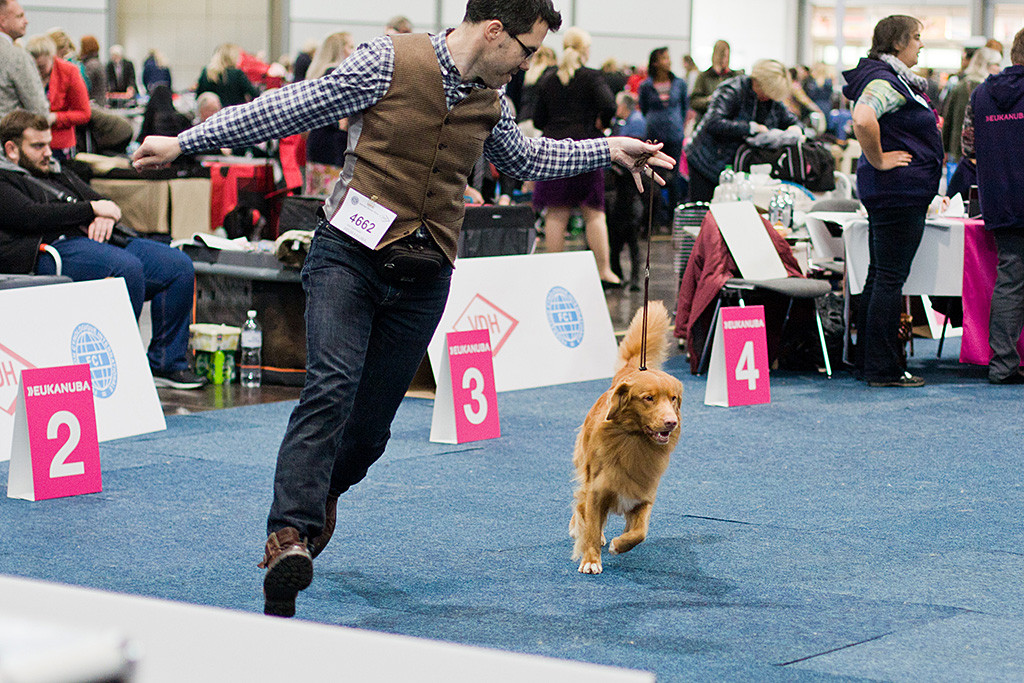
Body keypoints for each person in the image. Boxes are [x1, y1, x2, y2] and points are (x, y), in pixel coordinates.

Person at [131, 0, 672, 619]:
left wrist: (610, 151)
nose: (526, 65)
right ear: (495, 32)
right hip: (347, 257)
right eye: (526, 50)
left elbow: (528, 161)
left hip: (424, 273)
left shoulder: (492, 98)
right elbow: (286, 108)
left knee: (368, 432)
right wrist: (185, 140)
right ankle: (287, 537)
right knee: (330, 388)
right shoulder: (388, 60)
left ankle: (321, 494)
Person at [0, 109, 206, 389]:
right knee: (125, 269)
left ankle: (166, 363)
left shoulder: (58, 172)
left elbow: (105, 203)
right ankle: (119, 367)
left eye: (49, 144)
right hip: (49, 249)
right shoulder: (5, 180)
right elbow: (29, 216)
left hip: (97, 242)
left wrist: (104, 214)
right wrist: (91, 210)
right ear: (11, 149)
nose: (48, 152)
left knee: (177, 265)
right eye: (37, 146)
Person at [842, 15, 943, 388]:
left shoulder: (889, 78)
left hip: (892, 191)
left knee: (879, 276)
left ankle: (868, 361)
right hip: (898, 191)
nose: (921, 44)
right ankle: (883, 368)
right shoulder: (886, 81)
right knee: (889, 278)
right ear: (898, 43)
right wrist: (879, 157)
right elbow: (863, 119)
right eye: (917, 38)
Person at [532, 26, 620, 286]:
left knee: (556, 213)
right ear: (585, 50)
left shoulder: (548, 79)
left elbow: (538, 119)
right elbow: (610, 105)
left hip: (554, 149)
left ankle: (554, 272)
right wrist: (600, 125)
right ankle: (604, 271)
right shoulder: (592, 77)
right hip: (586, 148)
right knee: (593, 211)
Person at [963, 28, 1024, 384]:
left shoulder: (981, 93)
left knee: (1009, 281)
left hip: (1001, 200)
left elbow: (968, 149)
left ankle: (1002, 365)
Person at [686, 59, 799, 202]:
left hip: (736, 167)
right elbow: (713, 122)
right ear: (758, 82)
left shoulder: (770, 99)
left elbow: (791, 120)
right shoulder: (731, 90)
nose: (767, 98)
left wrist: (795, 129)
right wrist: (751, 127)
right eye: (766, 93)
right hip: (707, 161)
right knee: (704, 209)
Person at [638, 47, 687, 227]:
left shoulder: (679, 84)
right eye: (664, 58)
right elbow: (643, 108)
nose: (669, 61)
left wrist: (676, 124)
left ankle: (673, 219)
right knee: (653, 177)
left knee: (674, 177)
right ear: (656, 62)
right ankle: (654, 219)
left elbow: (684, 107)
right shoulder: (646, 86)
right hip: (653, 137)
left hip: (674, 136)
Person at [303, 32, 355, 196]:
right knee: (329, 201)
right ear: (339, 49)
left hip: (318, 143)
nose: (354, 51)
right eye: (350, 46)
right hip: (331, 147)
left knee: (315, 198)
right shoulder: (335, 74)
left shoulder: (319, 74)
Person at [26, 34, 90, 162]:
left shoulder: (69, 71)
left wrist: (55, 118)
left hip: (60, 146)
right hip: (30, 144)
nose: (38, 72)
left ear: (52, 57)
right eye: (34, 67)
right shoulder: (25, 71)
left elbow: (84, 113)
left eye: (42, 67)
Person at [608, 90, 645, 289]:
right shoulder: (623, 123)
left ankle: (626, 278)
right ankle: (628, 279)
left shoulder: (634, 123)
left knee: (624, 245)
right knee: (630, 246)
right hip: (629, 201)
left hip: (627, 201)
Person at [942, 46, 1001, 162]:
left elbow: (948, 120)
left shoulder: (960, 86)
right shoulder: (992, 90)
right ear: (986, 65)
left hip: (958, 150)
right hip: (985, 152)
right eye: (997, 64)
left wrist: (945, 149)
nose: (999, 68)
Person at [0, 0, 49, 119]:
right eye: (19, 16)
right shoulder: (17, 57)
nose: (26, 21)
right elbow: (38, 110)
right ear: (2, 21)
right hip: (6, 134)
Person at [689, 40, 736, 126]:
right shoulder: (704, 77)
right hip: (706, 124)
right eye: (722, 56)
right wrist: (710, 100)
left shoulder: (734, 77)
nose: (725, 60)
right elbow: (694, 102)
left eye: (727, 56)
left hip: (727, 125)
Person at [197, 44, 259, 108]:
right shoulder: (237, 74)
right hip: (234, 113)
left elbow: (199, 97)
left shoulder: (207, 73)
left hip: (213, 114)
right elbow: (255, 94)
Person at [78, 35, 106, 104]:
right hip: (100, 102)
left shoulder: (91, 65)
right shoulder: (97, 63)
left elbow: (84, 86)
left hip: (94, 104)